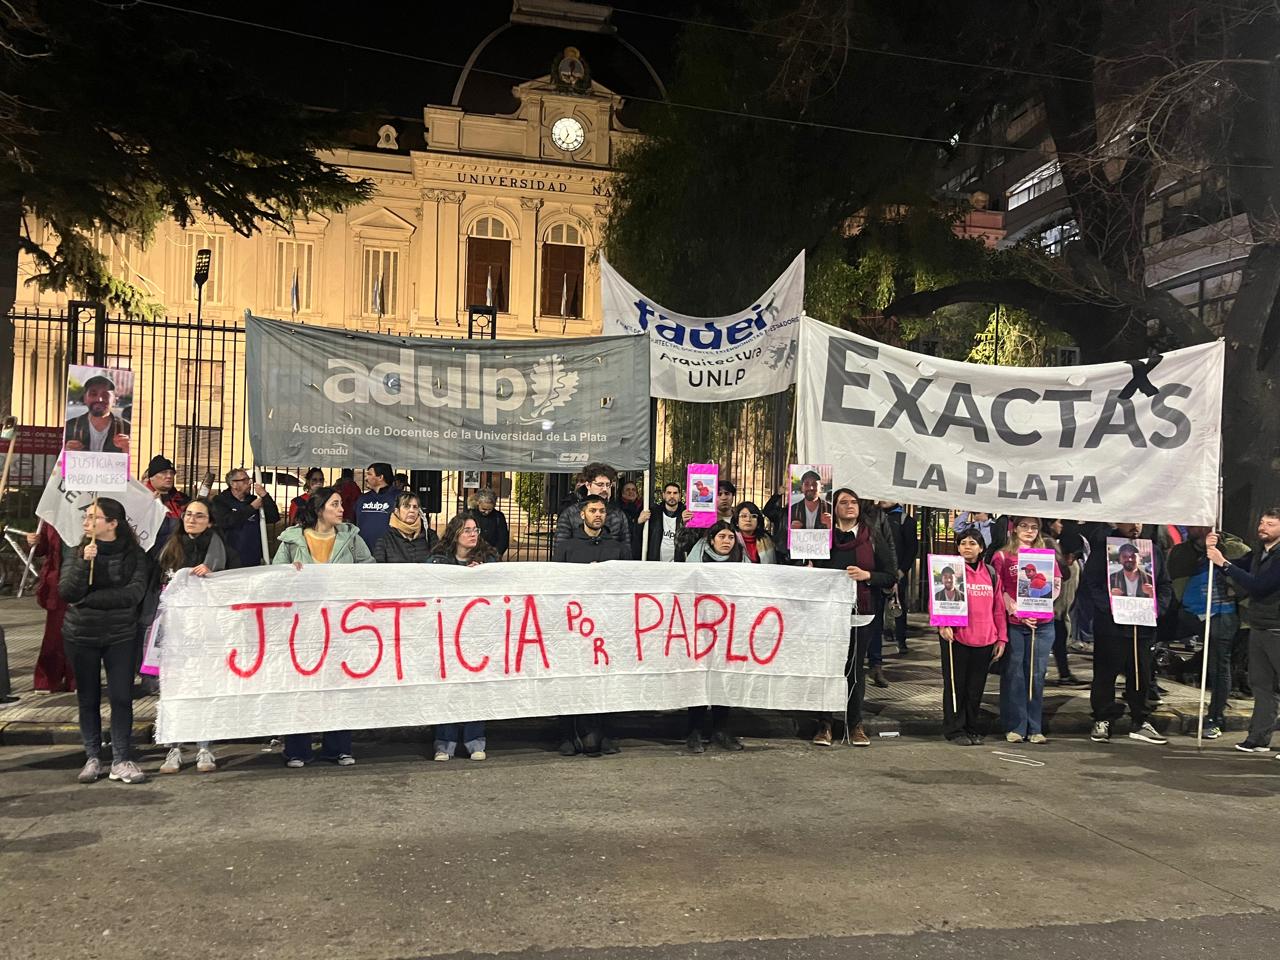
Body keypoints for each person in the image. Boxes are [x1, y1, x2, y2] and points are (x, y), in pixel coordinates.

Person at [272, 485, 374, 767]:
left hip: (342, 624)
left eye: (341, 504)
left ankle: (338, 747)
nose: (342, 509)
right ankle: (297, 749)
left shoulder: (351, 538)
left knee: (338, 685)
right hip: (303, 626)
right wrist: (287, 574)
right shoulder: (293, 540)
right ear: (319, 510)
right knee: (302, 686)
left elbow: (370, 568)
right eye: (336, 504)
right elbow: (273, 575)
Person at [59, 498, 151, 784]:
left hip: (120, 635)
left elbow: (132, 595)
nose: (87, 522)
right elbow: (67, 592)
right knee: (88, 697)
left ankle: (122, 758)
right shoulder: (77, 551)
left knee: (122, 697)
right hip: (80, 634)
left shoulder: (134, 555)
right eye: (86, 517)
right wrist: (83, 564)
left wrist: (88, 599)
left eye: (93, 517)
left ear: (112, 523)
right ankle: (93, 755)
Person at [154, 498, 239, 774]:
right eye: (188, 515)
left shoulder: (221, 549)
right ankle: (174, 748)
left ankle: (205, 747)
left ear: (210, 521)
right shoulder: (170, 548)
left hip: (209, 631)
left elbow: (238, 582)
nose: (191, 520)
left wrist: (216, 576)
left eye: (199, 516)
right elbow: (157, 585)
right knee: (176, 689)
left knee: (205, 687)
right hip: (176, 632)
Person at [811, 488, 895, 748]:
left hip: (861, 611)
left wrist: (867, 576)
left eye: (854, 502)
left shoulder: (872, 537)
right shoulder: (822, 538)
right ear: (833, 508)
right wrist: (809, 568)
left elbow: (890, 575)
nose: (850, 506)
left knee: (854, 669)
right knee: (828, 667)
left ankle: (854, 724)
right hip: (827, 613)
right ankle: (825, 724)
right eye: (843, 502)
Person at [1083, 522, 1172, 746]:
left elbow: (1164, 584)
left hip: (1142, 626)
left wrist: (1156, 608)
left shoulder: (1152, 550)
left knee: (1141, 672)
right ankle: (1102, 718)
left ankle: (1140, 720)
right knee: (1105, 675)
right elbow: (1091, 583)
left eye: (1139, 521)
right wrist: (1110, 608)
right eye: (1130, 521)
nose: (1135, 526)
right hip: (1111, 626)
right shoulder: (1103, 549)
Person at [553, 495, 628, 756]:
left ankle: (604, 733)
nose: (598, 515)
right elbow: (556, 584)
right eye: (593, 510)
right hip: (574, 625)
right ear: (582, 514)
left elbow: (625, 584)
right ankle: (566, 733)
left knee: (605, 680)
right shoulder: (567, 546)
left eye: (602, 511)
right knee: (570, 678)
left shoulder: (617, 548)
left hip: (606, 625)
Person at [427, 514, 500, 761]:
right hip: (446, 634)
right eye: (467, 530)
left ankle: (474, 741)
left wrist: (486, 575)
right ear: (455, 534)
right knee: (447, 688)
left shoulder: (489, 558)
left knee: (475, 688)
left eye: (475, 529)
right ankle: (444, 742)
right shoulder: (438, 560)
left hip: (478, 634)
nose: (473, 534)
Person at [1207, 508, 1280, 754]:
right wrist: (1215, 550)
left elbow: (1259, 586)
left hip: (1277, 628)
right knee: (1261, 685)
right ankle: (1259, 738)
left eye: (1270, 524)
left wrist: (1224, 564)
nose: (1263, 527)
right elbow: (1238, 567)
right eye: (1262, 522)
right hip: (1259, 625)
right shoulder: (1260, 551)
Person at [1170, 526, 1246, 739]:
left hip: (1223, 613)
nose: (1197, 527)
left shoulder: (1234, 548)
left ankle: (1215, 718)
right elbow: (1175, 578)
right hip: (1191, 613)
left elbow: (1247, 579)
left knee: (1219, 663)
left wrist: (1220, 557)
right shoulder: (1182, 552)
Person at [993, 516, 1062, 745]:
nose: (1029, 531)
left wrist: (1040, 606)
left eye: (1034, 527)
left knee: (1036, 674)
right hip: (1015, 623)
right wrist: (1017, 611)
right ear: (1014, 529)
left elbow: (1056, 584)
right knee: (1015, 674)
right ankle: (1014, 725)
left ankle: (1035, 726)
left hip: (1043, 624)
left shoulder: (1046, 556)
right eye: (1024, 526)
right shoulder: (1002, 556)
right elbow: (999, 588)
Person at [682, 520, 748, 752]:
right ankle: (694, 732)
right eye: (721, 537)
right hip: (699, 627)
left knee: (724, 679)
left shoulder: (741, 558)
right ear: (711, 539)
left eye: (730, 537)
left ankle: (721, 730)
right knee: (698, 678)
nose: (726, 542)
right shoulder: (697, 556)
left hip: (728, 630)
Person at [938, 528, 1007, 745]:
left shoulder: (991, 573)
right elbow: (939, 598)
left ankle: (971, 726)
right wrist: (942, 624)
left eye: (973, 543)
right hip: (956, 636)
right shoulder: (948, 569)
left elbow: (998, 607)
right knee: (955, 685)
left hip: (985, 637)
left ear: (982, 547)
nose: (967, 547)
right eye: (963, 543)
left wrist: (1001, 637)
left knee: (976, 687)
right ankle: (955, 729)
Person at [27, 525, 75, 694]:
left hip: (84, 578)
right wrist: (35, 541)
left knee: (81, 633)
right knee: (53, 634)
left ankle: (75, 679)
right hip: (58, 580)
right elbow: (43, 548)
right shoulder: (52, 512)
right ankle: (47, 678)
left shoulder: (94, 512)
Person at [553, 462, 635, 554]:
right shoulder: (570, 513)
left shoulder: (618, 514)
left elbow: (626, 550)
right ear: (588, 485)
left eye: (608, 485)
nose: (605, 489)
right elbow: (560, 550)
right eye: (600, 485)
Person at [212, 467, 280, 567]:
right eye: (245, 480)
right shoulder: (221, 500)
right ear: (233, 484)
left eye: (249, 480)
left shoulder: (252, 500)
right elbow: (227, 521)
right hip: (229, 557)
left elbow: (274, 517)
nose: (249, 483)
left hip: (252, 557)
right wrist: (251, 508)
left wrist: (265, 496)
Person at [1051, 528, 1089, 687]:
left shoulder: (1075, 567)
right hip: (1052, 614)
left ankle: (1065, 674)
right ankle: (1064, 675)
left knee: (1061, 643)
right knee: (1058, 643)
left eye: (1073, 556)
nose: (1070, 559)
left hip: (1061, 614)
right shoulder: (1055, 565)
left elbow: (1071, 594)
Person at [879, 501, 918, 655]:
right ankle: (880, 637)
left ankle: (901, 640)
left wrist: (902, 570)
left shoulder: (905, 520)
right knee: (876, 607)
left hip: (897, 572)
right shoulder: (872, 517)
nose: (882, 499)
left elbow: (912, 548)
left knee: (899, 605)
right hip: (876, 572)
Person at [64, 373, 129, 453]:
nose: (99, 399)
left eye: (105, 395)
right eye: (93, 394)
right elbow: (58, 462)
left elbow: (137, 461)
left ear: (114, 401)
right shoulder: (69, 427)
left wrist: (128, 450)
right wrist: (65, 452)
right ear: (85, 398)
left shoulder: (127, 429)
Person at [373, 491, 441, 563]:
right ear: (397, 511)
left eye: (415, 507)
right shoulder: (384, 540)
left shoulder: (430, 536)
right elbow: (379, 569)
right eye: (406, 506)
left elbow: (439, 562)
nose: (412, 510)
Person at [143, 455, 189, 555]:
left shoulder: (183, 499)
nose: (169, 476)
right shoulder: (141, 498)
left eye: (172, 473)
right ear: (152, 477)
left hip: (177, 555)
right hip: (150, 556)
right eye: (163, 472)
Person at [354, 462, 397, 551]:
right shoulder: (362, 499)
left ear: (381, 477)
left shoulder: (399, 497)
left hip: (390, 554)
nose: (365, 478)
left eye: (369, 474)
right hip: (363, 554)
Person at [645, 482, 692, 562]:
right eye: (669, 493)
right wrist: (639, 522)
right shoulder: (654, 513)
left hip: (678, 562)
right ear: (663, 495)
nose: (672, 496)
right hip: (656, 561)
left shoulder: (687, 513)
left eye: (675, 493)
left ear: (680, 496)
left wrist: (684, 524)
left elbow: (691, 539)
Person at [471, 488, 510, 558]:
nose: (486, 512)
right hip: (472, 553)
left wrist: (497, 553)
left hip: (493, 554)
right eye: (484, 509)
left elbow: (503, 538)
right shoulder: (470, 514)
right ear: (478, 503)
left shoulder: (498, 516)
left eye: (489, 509)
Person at [618, 479, 646, 560]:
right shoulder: (617, 508)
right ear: (622, 493)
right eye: (628, 490)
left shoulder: (644, 507)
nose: (631, 492)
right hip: (624, 549)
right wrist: (637, 521)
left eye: (633, 489)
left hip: (640, 548)